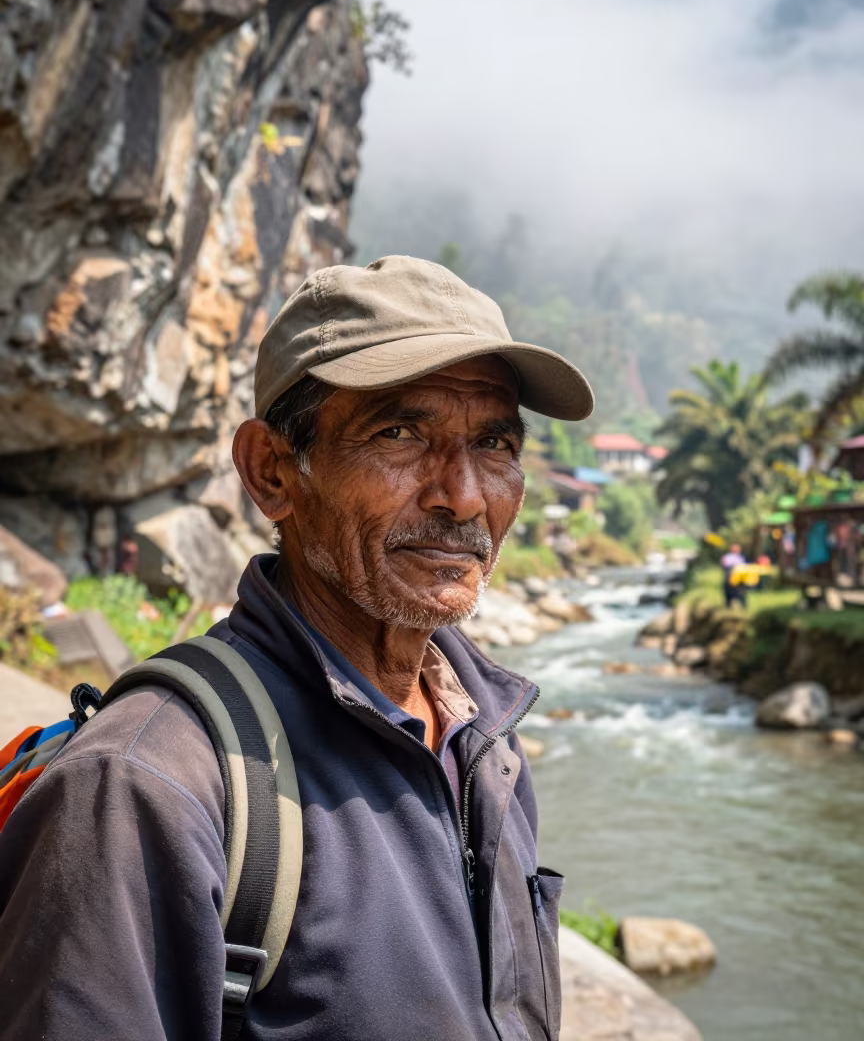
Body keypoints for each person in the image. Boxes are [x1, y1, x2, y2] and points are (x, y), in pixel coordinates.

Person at [0, 255, 594, 1041]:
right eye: (399, 434)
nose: (463, 496)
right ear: (272, 472)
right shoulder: (147, 783)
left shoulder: (485, 737)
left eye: (494, 442)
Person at [720, 542, 745, 607]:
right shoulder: (728, 556)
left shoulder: (741, 557)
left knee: (741, 592)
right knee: (728, 592)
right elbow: (725, 565)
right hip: (729, 576)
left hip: (739, 577)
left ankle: (743, 605)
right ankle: (728, 605)